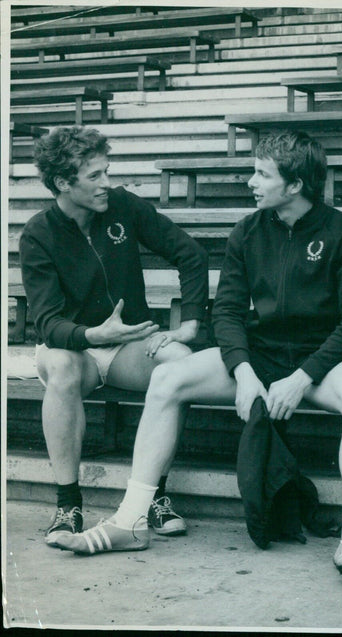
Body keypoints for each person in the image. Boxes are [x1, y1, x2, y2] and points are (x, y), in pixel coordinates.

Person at [53, 131, 342, 584]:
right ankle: (131, 519)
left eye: (262, 174)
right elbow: (226, 311)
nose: (251, 182)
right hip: (260, 354)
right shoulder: (247, 231)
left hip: (320, 358)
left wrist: (304, 377)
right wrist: (244, 372)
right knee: (167, 380)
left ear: (295, 185)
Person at [20, 126, 209, 547]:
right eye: (94, 176)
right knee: (64, 365)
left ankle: (153, 496)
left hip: (128, 346)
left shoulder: (122, 205)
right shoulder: (38, 234)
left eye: (107, 171)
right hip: (74, 350)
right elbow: (48, 323)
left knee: (179, 361)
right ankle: (68, 504)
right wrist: (91, 333)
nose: (107, 183)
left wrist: (191, 321)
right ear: (63, 184)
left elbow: (191, 255)